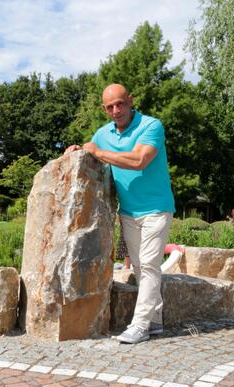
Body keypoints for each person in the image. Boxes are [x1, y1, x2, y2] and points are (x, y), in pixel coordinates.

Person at [66, 83, 175, 344]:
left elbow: (139, 160)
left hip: (156, 208)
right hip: (128, 211)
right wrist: (75, 151)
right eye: (110, 107)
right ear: (104, 109)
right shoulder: (103, 133)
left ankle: (140, 326)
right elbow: (90, 151)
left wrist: (99, 152)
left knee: (148, 265)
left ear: (130, 101)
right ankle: (155, 320)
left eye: (120, 104)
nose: (116, 110)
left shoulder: (151, 126)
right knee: (139, 266)